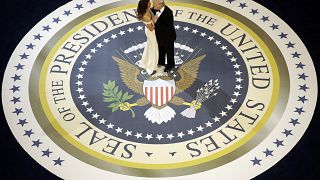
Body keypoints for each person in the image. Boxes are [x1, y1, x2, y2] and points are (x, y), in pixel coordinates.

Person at [151, 0, 177, 72]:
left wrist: (156, 21)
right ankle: (161, 62)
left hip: (168, 36)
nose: (153, 5)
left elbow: (167, 27)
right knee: (161, 49)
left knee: (169, 52)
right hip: (159, 35)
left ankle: (170, 65)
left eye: (154, 4)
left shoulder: (168, 12)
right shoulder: (153, 9)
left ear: (160, 4)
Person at [137, 0, 159, 75]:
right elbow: (151, 28)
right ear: (145, 5)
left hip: (152, 30)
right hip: (151, 33)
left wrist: (154, 18)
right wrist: (155, 20)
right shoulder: (145, 16)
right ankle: (151, 67)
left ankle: (145, 62)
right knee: (153, 48)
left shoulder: (148, 9)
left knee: (150, 47)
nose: (150, 3)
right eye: (148, 3)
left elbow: (152, 17)